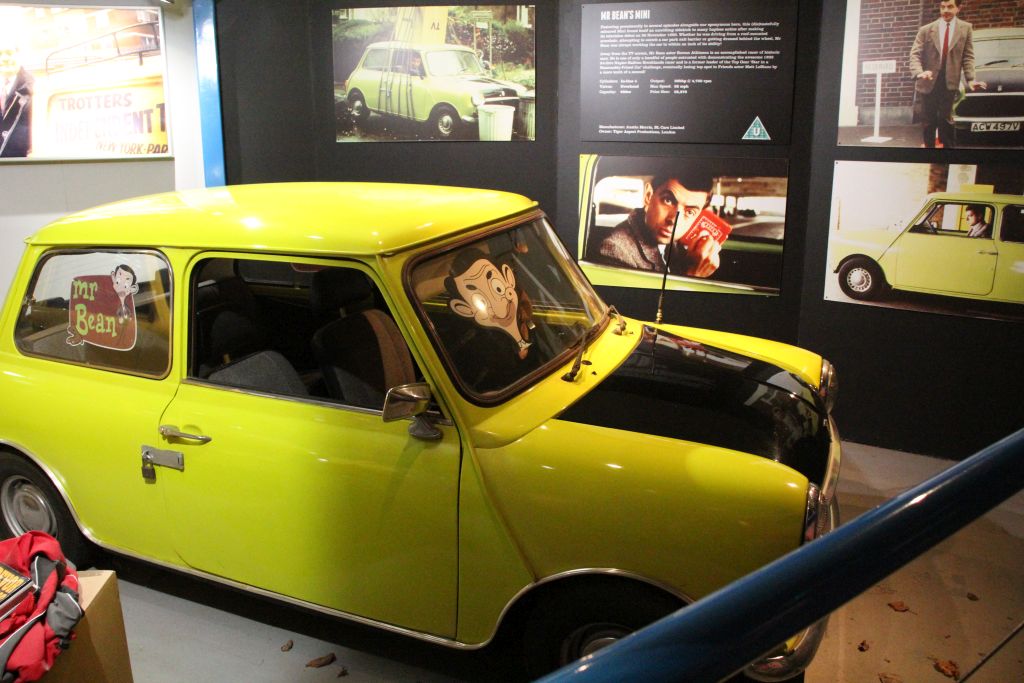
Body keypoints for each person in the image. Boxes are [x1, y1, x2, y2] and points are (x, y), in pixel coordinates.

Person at [596, 173, 720, 278]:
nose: (674, 220)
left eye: (690, 212)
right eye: (668, 201)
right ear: (648, 196)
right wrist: (693, 275)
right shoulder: (616, 250)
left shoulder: (677, 244)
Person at [909, 0, 986, 148]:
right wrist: (919, 72)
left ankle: (949, 154)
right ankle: (929, 153)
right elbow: (915, 54)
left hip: (949, 82)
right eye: (942, 7)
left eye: (950, 7)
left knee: (946, 120)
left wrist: (971, 79)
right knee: (928, 121)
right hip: (928, 81)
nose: (945, 10)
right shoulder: (926, 30)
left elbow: (968, 56)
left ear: (958, 8)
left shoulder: (966, 28)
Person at [0, 41, 33, 158]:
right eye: (0, 54)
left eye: (9, 53)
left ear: (20, 55)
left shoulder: (33, 89)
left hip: (21, 164)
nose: (4, 59)